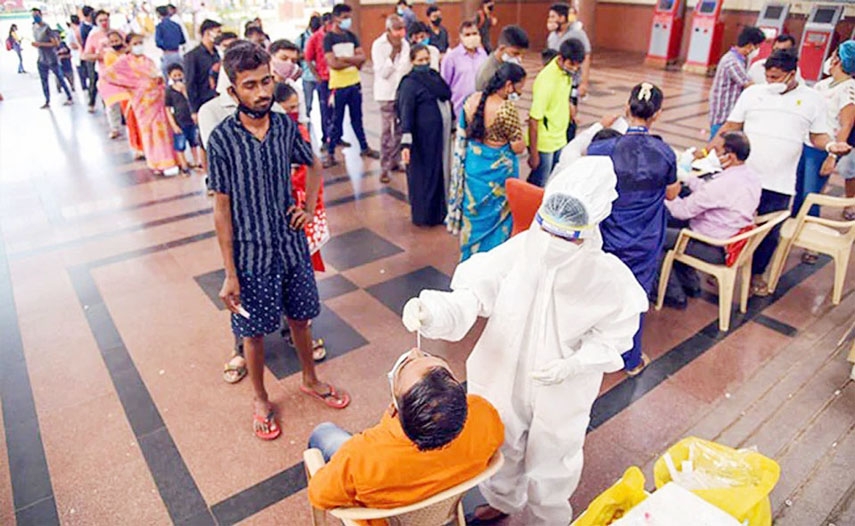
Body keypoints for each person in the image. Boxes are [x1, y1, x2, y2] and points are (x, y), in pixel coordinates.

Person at [401, 156, 648, 524]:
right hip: (502, 371)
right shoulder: (520, 252)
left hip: (563, 389)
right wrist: (435, 311)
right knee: (502, 440)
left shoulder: (607, 279)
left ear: (590, 226)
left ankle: (545, 519)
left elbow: (616, 336)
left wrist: (576, 364)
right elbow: (472, 296)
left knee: (555, 456)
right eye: (547, 228)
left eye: (566, 234)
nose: (552, 241)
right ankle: (503, 501)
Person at [209, 42, 350, 440]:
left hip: (291, 247)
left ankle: (310, 378)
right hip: (250, 254)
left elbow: (313, 162)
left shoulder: (285, 125)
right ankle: (260, 398)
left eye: (266, 81)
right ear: (233, 92)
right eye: (250, 85)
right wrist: (229, 273)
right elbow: (221, 208)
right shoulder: (222, 140)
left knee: (302, 318)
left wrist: (308, 210)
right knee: (253, 333)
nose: (262, 92)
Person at [703, 49, 851, 296]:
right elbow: (731, 125)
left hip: (779, 181)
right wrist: (706, 150)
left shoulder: (812, 99)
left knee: (770, 231)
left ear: (791, 74)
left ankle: (756, 274)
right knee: (732, 222)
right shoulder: (753, 94)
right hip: (744, 177)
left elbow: (817, 135)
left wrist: (830, 147)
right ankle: (721, 267)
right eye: (768, 77)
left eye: (775, 77)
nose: (770, 82)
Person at [307, 348, 504, 520]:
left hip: (385, 519)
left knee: (323, 433)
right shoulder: (483, 414)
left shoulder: (361, 457)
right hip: (444, 505)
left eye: (407, 365)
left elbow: (319, 495)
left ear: (394, 408)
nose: (414, 351)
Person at [588, 83, 680, 376]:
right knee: (635, 296)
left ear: (627, 109)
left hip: (609, 234)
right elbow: (671, 194)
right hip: (645, 237)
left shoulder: (602, 149)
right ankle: (630, 359)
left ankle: (591, 349)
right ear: (658, 115)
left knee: (599, 289)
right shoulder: (665, 153)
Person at [660, 132, 762, 308]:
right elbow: (709, 191)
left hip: (712, 246)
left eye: (716, 150)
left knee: (654, 235)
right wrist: (687, 178)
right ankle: (689, 284)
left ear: (729, 156)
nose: (711, 154)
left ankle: (672, 293)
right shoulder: (750, 177)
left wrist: (664, 190)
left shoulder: (721, 185)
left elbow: (681, 210)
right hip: (732, 237)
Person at [449, 63, 527, 261]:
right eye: (519, 87)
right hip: (497, 173)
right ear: (509, 85)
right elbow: (518, 147)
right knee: (497, 218)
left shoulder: (471, 100)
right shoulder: (506, 109)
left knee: (474, 215)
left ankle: (469, 259)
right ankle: (492, 262)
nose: (519, 92)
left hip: (474, 167)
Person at [100, 33, 179, 176]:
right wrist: (132, 85)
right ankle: (155, 162)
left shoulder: (148, 60)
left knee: (162, 131)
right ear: (128, 45)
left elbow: (155, 75)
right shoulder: (124, 62)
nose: (139, 46)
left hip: (158, 101)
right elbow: (107, 75)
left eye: (140, 43)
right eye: (135, 43)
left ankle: (169, 161)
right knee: (149, 133)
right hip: (142, 103)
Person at [274, 82, 329, 273]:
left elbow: (311, 170)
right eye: (290, 108)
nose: (295, 111)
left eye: (296, 106)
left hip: (301, 200)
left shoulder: (298, 130)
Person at [398, 45, 453, 227]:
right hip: (422, 141)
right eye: (420, 60)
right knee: (425, 178)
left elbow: (446, 96)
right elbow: (405, 112)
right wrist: (406, 144)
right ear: (412, 61)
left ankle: (441, 212)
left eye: (427, 59)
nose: (425, 63)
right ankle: (425, 216)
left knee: (440, 174)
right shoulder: (409, 83)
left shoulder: (434, 77)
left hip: (439, 139)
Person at [323, 3, 381, 167]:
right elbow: (333, 63)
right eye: (344, 18)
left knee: (357, 118)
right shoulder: (329, 39)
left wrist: (345, 59)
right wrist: (353, 61)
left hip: (354, 83)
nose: (347, 21)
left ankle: (364, 147)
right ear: (335, 18)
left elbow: (362, 58)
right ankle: (330, 153)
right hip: (338, 86)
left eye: (349, 17)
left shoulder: (352, 36)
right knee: (336, 121)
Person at [527, 38, 585, 187]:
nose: (575, 68)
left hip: (560, 137)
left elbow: (561, 98)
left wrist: (569, 109)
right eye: (572, 64)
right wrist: (534, 154)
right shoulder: (546, 81)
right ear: (561, 58)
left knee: (553, 180)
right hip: (545, 143)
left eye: (578, 65)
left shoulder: (565, 74)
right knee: (539, 185)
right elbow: (534, 119)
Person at [708, 26, 766, 139]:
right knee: (717, 147)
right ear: (750, 45)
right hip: (723, 116)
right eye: (757, 47)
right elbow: (749, 85)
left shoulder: (739, 59)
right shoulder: (732, 62)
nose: (756, 50)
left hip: (728, 114)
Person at [372, 15, 410, 184]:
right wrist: (394, 53)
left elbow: (405, 69)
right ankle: (384, 167)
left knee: (400, 129)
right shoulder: (378, 45)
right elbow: (383, 73)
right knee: (387, 131)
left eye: (403, 28)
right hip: (385, 94)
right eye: (397, 29)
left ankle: (395, 161)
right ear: (388, 30)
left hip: (401, 93)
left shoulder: (406, 44)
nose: (401, 33)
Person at [441, 21, 487, 117]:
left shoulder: (483, 55)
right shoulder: (451, 57)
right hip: (459, 111)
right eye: (467, 34)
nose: (471, 37)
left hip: (481, 110)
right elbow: (444, 84)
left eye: (474, 34)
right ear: (461, 37)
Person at [31, 9, 74, 109]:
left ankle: (69, 96)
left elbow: (55, 43)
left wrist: (40, 44)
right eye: (33, 15)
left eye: (36, 15)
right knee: (44, 80)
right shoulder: (34, 27)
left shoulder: (47, 28)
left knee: (60, 78)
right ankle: (47, 100)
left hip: (51, 57)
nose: (35, 17)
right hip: (41, 58)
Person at [546, 3, 592, 97]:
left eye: (553, 17)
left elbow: (586, 58)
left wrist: (584, 83)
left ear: (562, 18)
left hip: (572, 81)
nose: (550, 20)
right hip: (555, 82)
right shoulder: (552, 36)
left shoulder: (578, 34)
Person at [165, 63, 201, 174]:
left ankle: (197, 162)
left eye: (179, 75)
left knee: (194, 142)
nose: (177, 78)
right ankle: (184, 165)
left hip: (190, 120)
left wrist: (185, 91)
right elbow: (168, 108)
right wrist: (173, 125)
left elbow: (192, 101)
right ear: (170, 77)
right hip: (179, 121)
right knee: (180, 145)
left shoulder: (188, 89)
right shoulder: (169, 91)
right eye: (174, 76)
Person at [305, 13, 334, 152]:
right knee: (325, 110)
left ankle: (336, 137)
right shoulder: (316, 37)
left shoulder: (337, 36)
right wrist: (317, 76)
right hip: (324, 79)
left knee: (336, 110)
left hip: (337, 79)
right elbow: (308, 58)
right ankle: (325, 139)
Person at [184, 19, 222, 116]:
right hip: (203, 102)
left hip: (217, 100)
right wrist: (194, 110)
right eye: (217, 32)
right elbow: (190, 84)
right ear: (207, 33)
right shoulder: (193, 56)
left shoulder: (217, 54)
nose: (220, 35)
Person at [475, 25, 529, 91]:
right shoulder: (488, 74)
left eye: (522, 55)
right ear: (502, 48)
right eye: (515, 53)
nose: (519, 59)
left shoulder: (507, 66)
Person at [82, 9, 115, 113]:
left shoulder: (118, 33)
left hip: (120, 72)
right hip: (105, 73)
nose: (104, 23)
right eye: (101, 20)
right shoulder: (93, 36)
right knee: (111, 105)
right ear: (96, 22)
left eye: (106, 20)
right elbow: (85, 55)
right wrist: (99, 56)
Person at [297, 15, 322, 120]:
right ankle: (306, 125)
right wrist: (308, 55)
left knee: (324, 105)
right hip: (307, 76)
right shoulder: (302, 38)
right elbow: (296, 54)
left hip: (321, 76)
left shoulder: (323, 37)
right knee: (307, 104)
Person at [155, 5, 185, 78]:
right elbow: (182, 40)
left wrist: (166, 45)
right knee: (180, 77)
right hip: (178, 54)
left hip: (167, 54)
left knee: (168, 78)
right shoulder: (176, 25)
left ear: (158, 14)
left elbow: (158, 42)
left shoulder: (160, 26)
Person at [66, 16, 88, 90]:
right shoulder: (71, 32)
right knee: (82, 72)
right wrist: (80, 47)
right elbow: (71, 45)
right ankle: (84, 86)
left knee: (85, 72)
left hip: (83, 54)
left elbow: (71, 45)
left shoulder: (80, 29)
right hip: (78, 55)